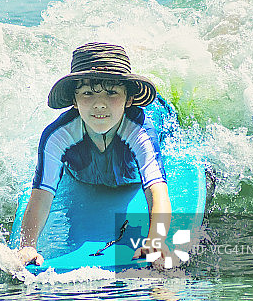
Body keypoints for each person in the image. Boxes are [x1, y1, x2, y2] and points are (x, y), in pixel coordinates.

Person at [17, 42, 172, 267]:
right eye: (88, 93)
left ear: (129, 99)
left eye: (112, 93)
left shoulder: (140, 131)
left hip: (158, 119)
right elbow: (41, 195)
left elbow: (157, 189)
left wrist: (156, 240)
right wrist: (28, 246)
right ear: (74, 100)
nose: (100, 104)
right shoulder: (57, 136)